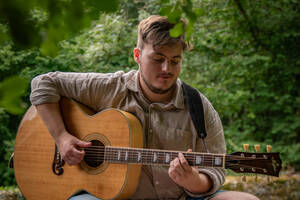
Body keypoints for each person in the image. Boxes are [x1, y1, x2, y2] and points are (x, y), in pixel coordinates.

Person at [30, 15, 259, 200]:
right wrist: (61, 137)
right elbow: (43, 83)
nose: (167, 68)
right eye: (158, 59)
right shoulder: (110, 87)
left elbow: (216, 171)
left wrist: (194, 182)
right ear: (137, 56)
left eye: (175, 61)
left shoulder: (199, 107)